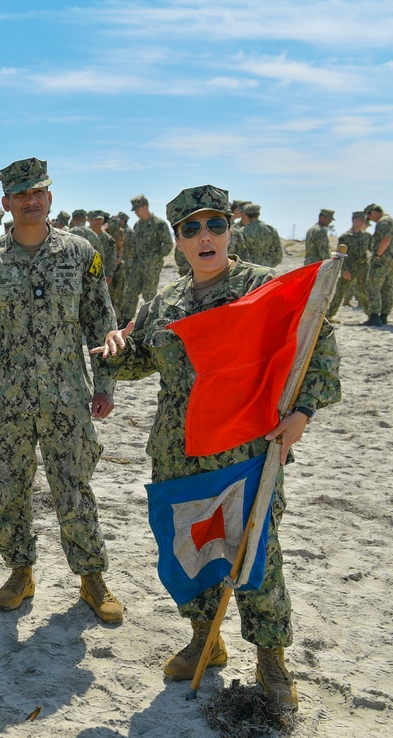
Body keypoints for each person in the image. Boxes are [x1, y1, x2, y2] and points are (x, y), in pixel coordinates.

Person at [94, 184, 340, 707]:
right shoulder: (167, 302)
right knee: (193, 548)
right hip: (179, 453)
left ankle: (271, 659)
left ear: (231, 229)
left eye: (215, 225)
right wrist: (117, 348)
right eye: (191, 229)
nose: (205, 237)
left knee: (257, 554)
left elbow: (317, 346)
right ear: (177, 240)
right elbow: (143, 359)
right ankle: (205, 637)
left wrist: (303, 413)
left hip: (246, 453)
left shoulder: (264, 288)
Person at [0, 157, 124, 622]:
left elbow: (101, 322)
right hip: (5, 401)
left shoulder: (79, 253)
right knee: (8, 491)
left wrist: (104, 384)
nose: (31, 201)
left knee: (74, 490)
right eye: (21, 195)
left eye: (39, 193)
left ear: (50, 198)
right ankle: (19, 571)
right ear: (7, 202)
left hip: (67, 398)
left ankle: (91, 578)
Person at [363, 203, 393, 326]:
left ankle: (374, 316)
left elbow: (386, 238)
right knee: (387, 287)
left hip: (383, 259)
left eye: (369, 217)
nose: (371, 220)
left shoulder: (383, 222)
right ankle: (384, 316)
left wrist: (378, 254)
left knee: (372, 285)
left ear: (373, 212)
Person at [328, 211, 370, 319]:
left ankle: (371, 315)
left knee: (365, 291)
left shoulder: (367, 236)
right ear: (354, 220)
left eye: (363, 220)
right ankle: (329, 314)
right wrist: (344, 270)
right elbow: (340, 255)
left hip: (363, 268)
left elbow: (372, 249)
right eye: (360, 220)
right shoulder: (345, 237)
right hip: (349, 268)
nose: (362, 222)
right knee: (340, 291)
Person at [238, 203, 283, 267]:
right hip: (268, 269)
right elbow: (278, 254)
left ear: (246, 215)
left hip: (250, 270)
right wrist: (269, 265)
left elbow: (240, 253)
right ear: (258, 214)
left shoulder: (242, 231)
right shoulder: (271, 230)